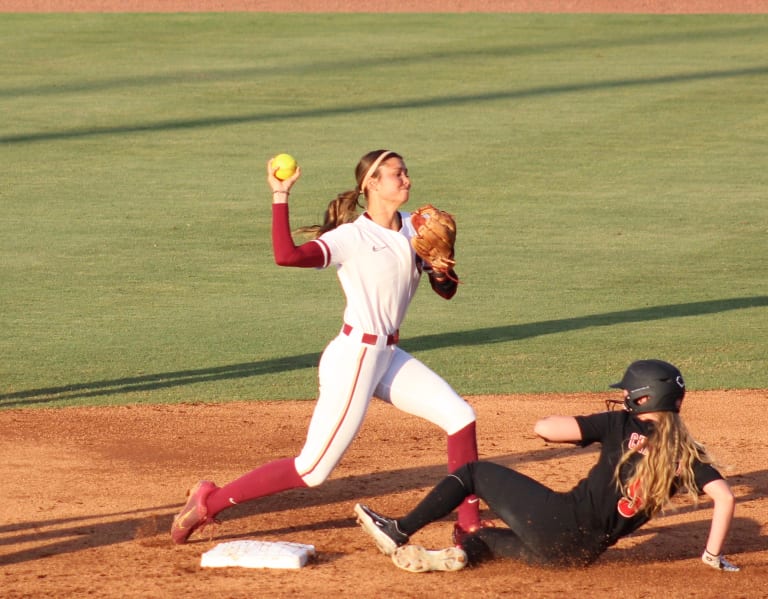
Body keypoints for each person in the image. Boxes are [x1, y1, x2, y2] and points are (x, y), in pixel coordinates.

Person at [171, 149, 483, 544]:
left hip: (387, 356)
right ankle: (208, 502)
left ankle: (468, 524)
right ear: (371, 183)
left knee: (460, 416)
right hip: (355, 358)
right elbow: (286, 256)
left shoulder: (414, 228)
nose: (406, 180)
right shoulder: (352, 236)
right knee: (313, 469)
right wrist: (280, 195)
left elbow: (447, 293)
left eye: (406, 173)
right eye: (397, 174)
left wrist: (442, 267)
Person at [355, 359, 740, 574]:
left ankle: (398, 530)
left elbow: (545, 429)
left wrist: (576, 423)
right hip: (575, 557)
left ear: (642, 399)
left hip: (557, 524)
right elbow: (724, 499)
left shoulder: (620, 425)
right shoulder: (689, 454)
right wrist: (711, 555)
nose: (622, 398)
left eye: (626, 393)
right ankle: (453, 558)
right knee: (487, 537)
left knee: (473, 473)